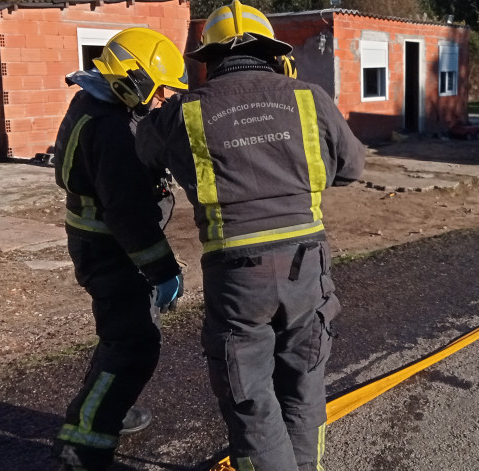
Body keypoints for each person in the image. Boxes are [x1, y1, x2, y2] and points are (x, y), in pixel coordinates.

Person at [135, 2, 366, 470]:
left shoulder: (185, 111)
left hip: (237, 278)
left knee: (251, 400)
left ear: (209, 60)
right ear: (274, 55)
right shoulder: (309, 97)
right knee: (303, 385)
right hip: (308, 268)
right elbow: (352, 167)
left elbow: (143, 152)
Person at [51, 27, 187, 471]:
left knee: (118, 336)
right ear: (134, 79)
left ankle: (109, 404)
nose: (165, 97)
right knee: (133, 344)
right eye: (162, 87)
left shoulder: (94, 102)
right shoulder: (111, 129)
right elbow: (128, 213)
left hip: (99, 247)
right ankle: (83, 444)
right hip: (114, 252)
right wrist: (162, 269)